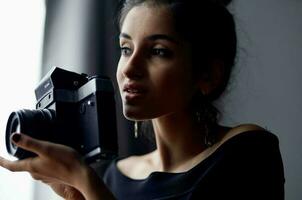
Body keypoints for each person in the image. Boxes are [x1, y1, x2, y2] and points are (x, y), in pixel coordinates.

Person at [0, 0, 285, 199]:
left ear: (208, 75)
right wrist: (75, 193)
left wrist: (84, 179)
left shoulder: (247, 152)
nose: (130, 69)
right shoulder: (113, 176)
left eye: (158, 51)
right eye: (126, 49)